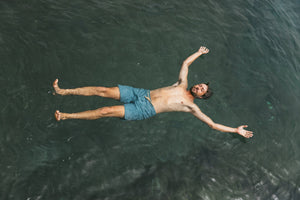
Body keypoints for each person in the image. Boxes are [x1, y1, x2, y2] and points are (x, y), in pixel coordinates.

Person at [53, 46, 253, 138]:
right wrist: (199, 53)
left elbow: (212, 124)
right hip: (141, 93)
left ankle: (66, 116)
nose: (199, 86)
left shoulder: (191, 107)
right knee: (102, 90)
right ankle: (63, 92)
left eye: (202, 89)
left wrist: (235, 130)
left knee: (106, 110)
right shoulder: (181, 84)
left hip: (144, 110)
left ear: (201, 97)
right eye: (200, 84)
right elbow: (185, 64)